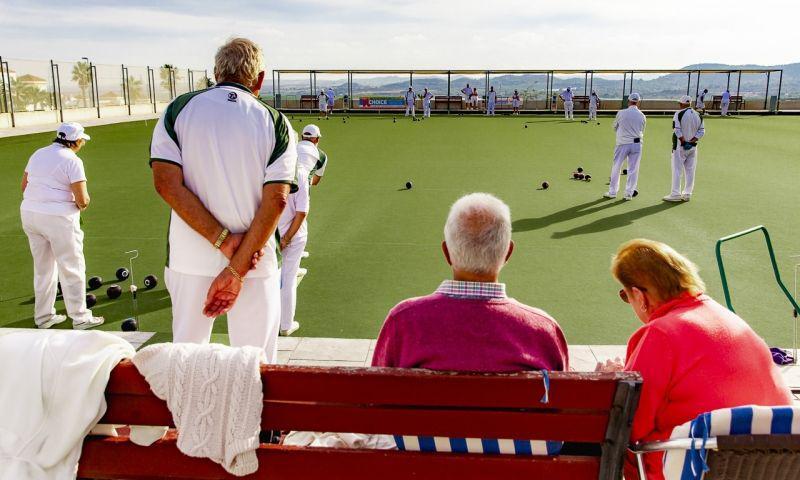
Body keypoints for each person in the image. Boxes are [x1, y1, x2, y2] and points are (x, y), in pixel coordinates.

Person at [150, 37, 297, 363]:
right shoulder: (276, 122)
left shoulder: (177, 110)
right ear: (259, 79)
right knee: (257, 366)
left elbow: (166, 185)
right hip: (256, 263)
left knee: (186, 360)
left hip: (189, 260)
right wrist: (238, 266)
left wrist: (224, 242)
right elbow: (276, 201)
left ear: (217, 72)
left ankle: (186, 416)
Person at [603, 239, 792, 480]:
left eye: (625, 294)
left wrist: (613, 385)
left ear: (640, 296)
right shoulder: (726, 317)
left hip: (696, 468)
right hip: (771, 466)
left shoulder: (661, 334)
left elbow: (628, 425)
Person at [373, 193, 568, 372]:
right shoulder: (543, 331)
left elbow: (373, 393)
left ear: (447, 253)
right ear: (507, 252)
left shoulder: (403, 321)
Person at [20, 122, 104, 330]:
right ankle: (80, 317)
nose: (83, 142)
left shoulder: (38, 153)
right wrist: (81, 203)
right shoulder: (72, 160)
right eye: (82, 139)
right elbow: (82, 200)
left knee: (43, 268)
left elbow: (24, 185)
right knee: (72, 266)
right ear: (74, 141)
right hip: (58, 218)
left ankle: (44, 317)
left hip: (30, 214)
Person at [277, 165, 310, 337]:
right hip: (294, 237)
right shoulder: (301, 172)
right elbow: (302, 212)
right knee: (288, 279)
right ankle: (285, 325)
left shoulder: (266, 165)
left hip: (270, 235)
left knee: (270, 279)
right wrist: (287, 239)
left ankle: (271, 322)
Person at [604, 92, 646, 200]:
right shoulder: (642, 115)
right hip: (637, 144)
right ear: (638, 102)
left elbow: (614, 127)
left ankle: (612, 192)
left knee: (616, 167)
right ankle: (628, 193)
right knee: (633, 169)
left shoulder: (621, 113)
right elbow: (642, 130)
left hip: (622, 144)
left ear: (629, 101)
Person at [663, 95, 705, 202]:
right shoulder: (698, 115)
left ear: (681, 104)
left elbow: (677, 130)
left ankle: (675, 194)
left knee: (677, 170)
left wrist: (683, 141)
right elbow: (702, 131)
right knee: (690, 171)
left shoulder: (678, 113)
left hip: (679, 147)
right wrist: (692, 141)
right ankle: (687, 194)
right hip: (693, 148)